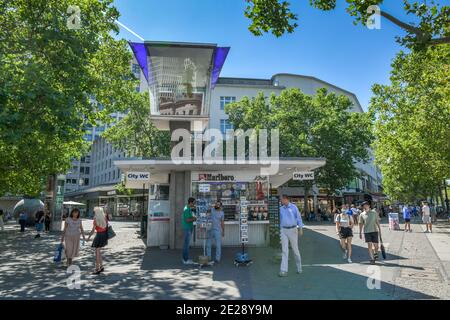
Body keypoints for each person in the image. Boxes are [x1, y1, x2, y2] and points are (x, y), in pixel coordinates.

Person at [279, 195, 304, 277]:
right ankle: (283, 270)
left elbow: (299, 218)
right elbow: (280, 220)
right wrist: (280, 230)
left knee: (295, 250)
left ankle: (299, 267)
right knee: (284, 250)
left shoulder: (294, 207)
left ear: (286, 199)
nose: (281, 201)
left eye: (282, 200)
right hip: (283, 230)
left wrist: (300, 228)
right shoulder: (281, 209)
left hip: (293, 230)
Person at [87, 207, 108, 274]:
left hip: (98, 236)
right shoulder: (105, 219)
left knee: (97, 253)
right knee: (99, 252)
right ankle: (101, 266)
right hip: (104, 236)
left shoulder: (95, 220)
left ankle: (97, 269)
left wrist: (88, 238)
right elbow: (106, 227)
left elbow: (93, 231)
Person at [182, 197, 197, 265]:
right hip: (187, 228)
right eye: (194, 203)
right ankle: (185, 260)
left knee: (186, 244)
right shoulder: (187, 209)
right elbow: (187, 220)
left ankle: (185, 258)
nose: (194, 204)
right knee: (186, 244)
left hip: (188, 227)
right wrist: (194, 219)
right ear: (190, 202)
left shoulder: (187, 208)